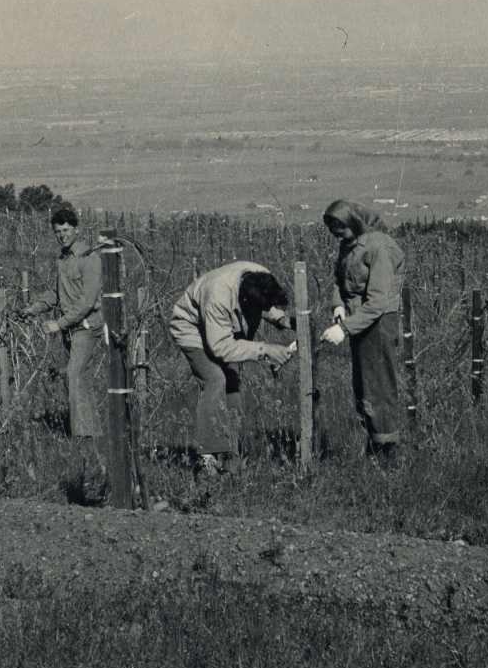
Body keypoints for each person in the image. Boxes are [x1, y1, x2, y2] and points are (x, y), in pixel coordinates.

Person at [169, 261, 296, 472]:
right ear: (244, 300)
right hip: (192, 328)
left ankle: (230, 457)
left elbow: (264, 302)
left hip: (223, 327)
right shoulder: (218, 295)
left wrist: (283, 320)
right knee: (215, 378)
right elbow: (220, 347)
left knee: (232, 385)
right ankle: (207, 457)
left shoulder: (259, 275)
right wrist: (265, 350)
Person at [319, 199, 406, 459]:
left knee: (379, 388)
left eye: (341, 228)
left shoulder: (378, 247)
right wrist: (338, 306)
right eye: (333, 229)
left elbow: (377, 304)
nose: (337, 234)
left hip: (378, 324)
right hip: (358, 321)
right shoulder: (348, 245)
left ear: (354, 222)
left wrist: (343, 329)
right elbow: (339, 280)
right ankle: (374, 444)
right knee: (362, 387)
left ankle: (389, 452)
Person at [20, 207, 106, 465]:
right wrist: (34, 308)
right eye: (57, 232)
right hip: (71, 327)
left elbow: (87, 302)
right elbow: (57, 294)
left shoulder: (89, 258)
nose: (62, 236)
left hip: (86, 325)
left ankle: (82, 437)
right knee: (78, 379)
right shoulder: (62, 260)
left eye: (66, 230)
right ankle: (92, 435)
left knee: (75, 374)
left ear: (77, 229)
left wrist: (58, 323)